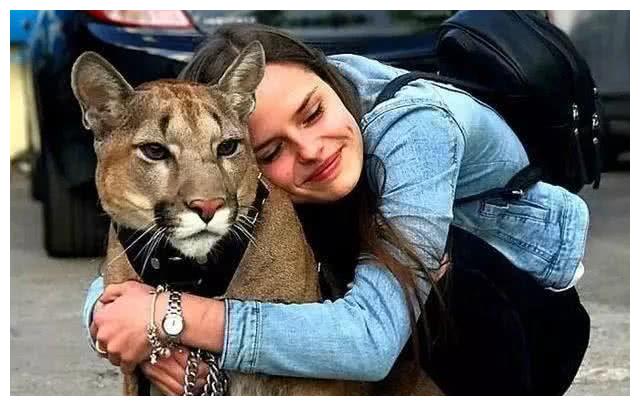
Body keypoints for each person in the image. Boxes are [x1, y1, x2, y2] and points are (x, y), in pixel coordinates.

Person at [82, 23, 590, 395]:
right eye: (271, 152)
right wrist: (126, 329)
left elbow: (369, 340)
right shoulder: (240, 155)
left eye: (313, 113)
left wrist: (170, 318)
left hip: (514, 319)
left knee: (448, 280)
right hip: (389, 295)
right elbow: (121, 284)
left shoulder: (419, 130)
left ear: (327, 76)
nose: (310, 149)